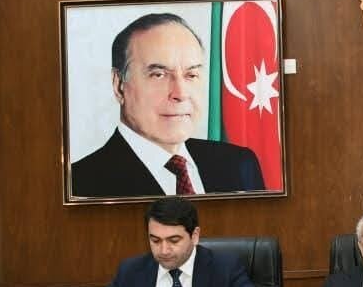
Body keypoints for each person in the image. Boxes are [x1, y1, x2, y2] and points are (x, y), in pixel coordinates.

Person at [70, 13, 265, 198]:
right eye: (158, 75)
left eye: (191, 75)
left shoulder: (239, 165)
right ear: (119, 85)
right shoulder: (79, 184)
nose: (180, 94)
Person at [69, 197, 272, 287]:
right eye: (155, 241)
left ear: (194, 236)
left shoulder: (224, 266)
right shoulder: (132, 271)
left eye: (174, 240)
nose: (164, 250)